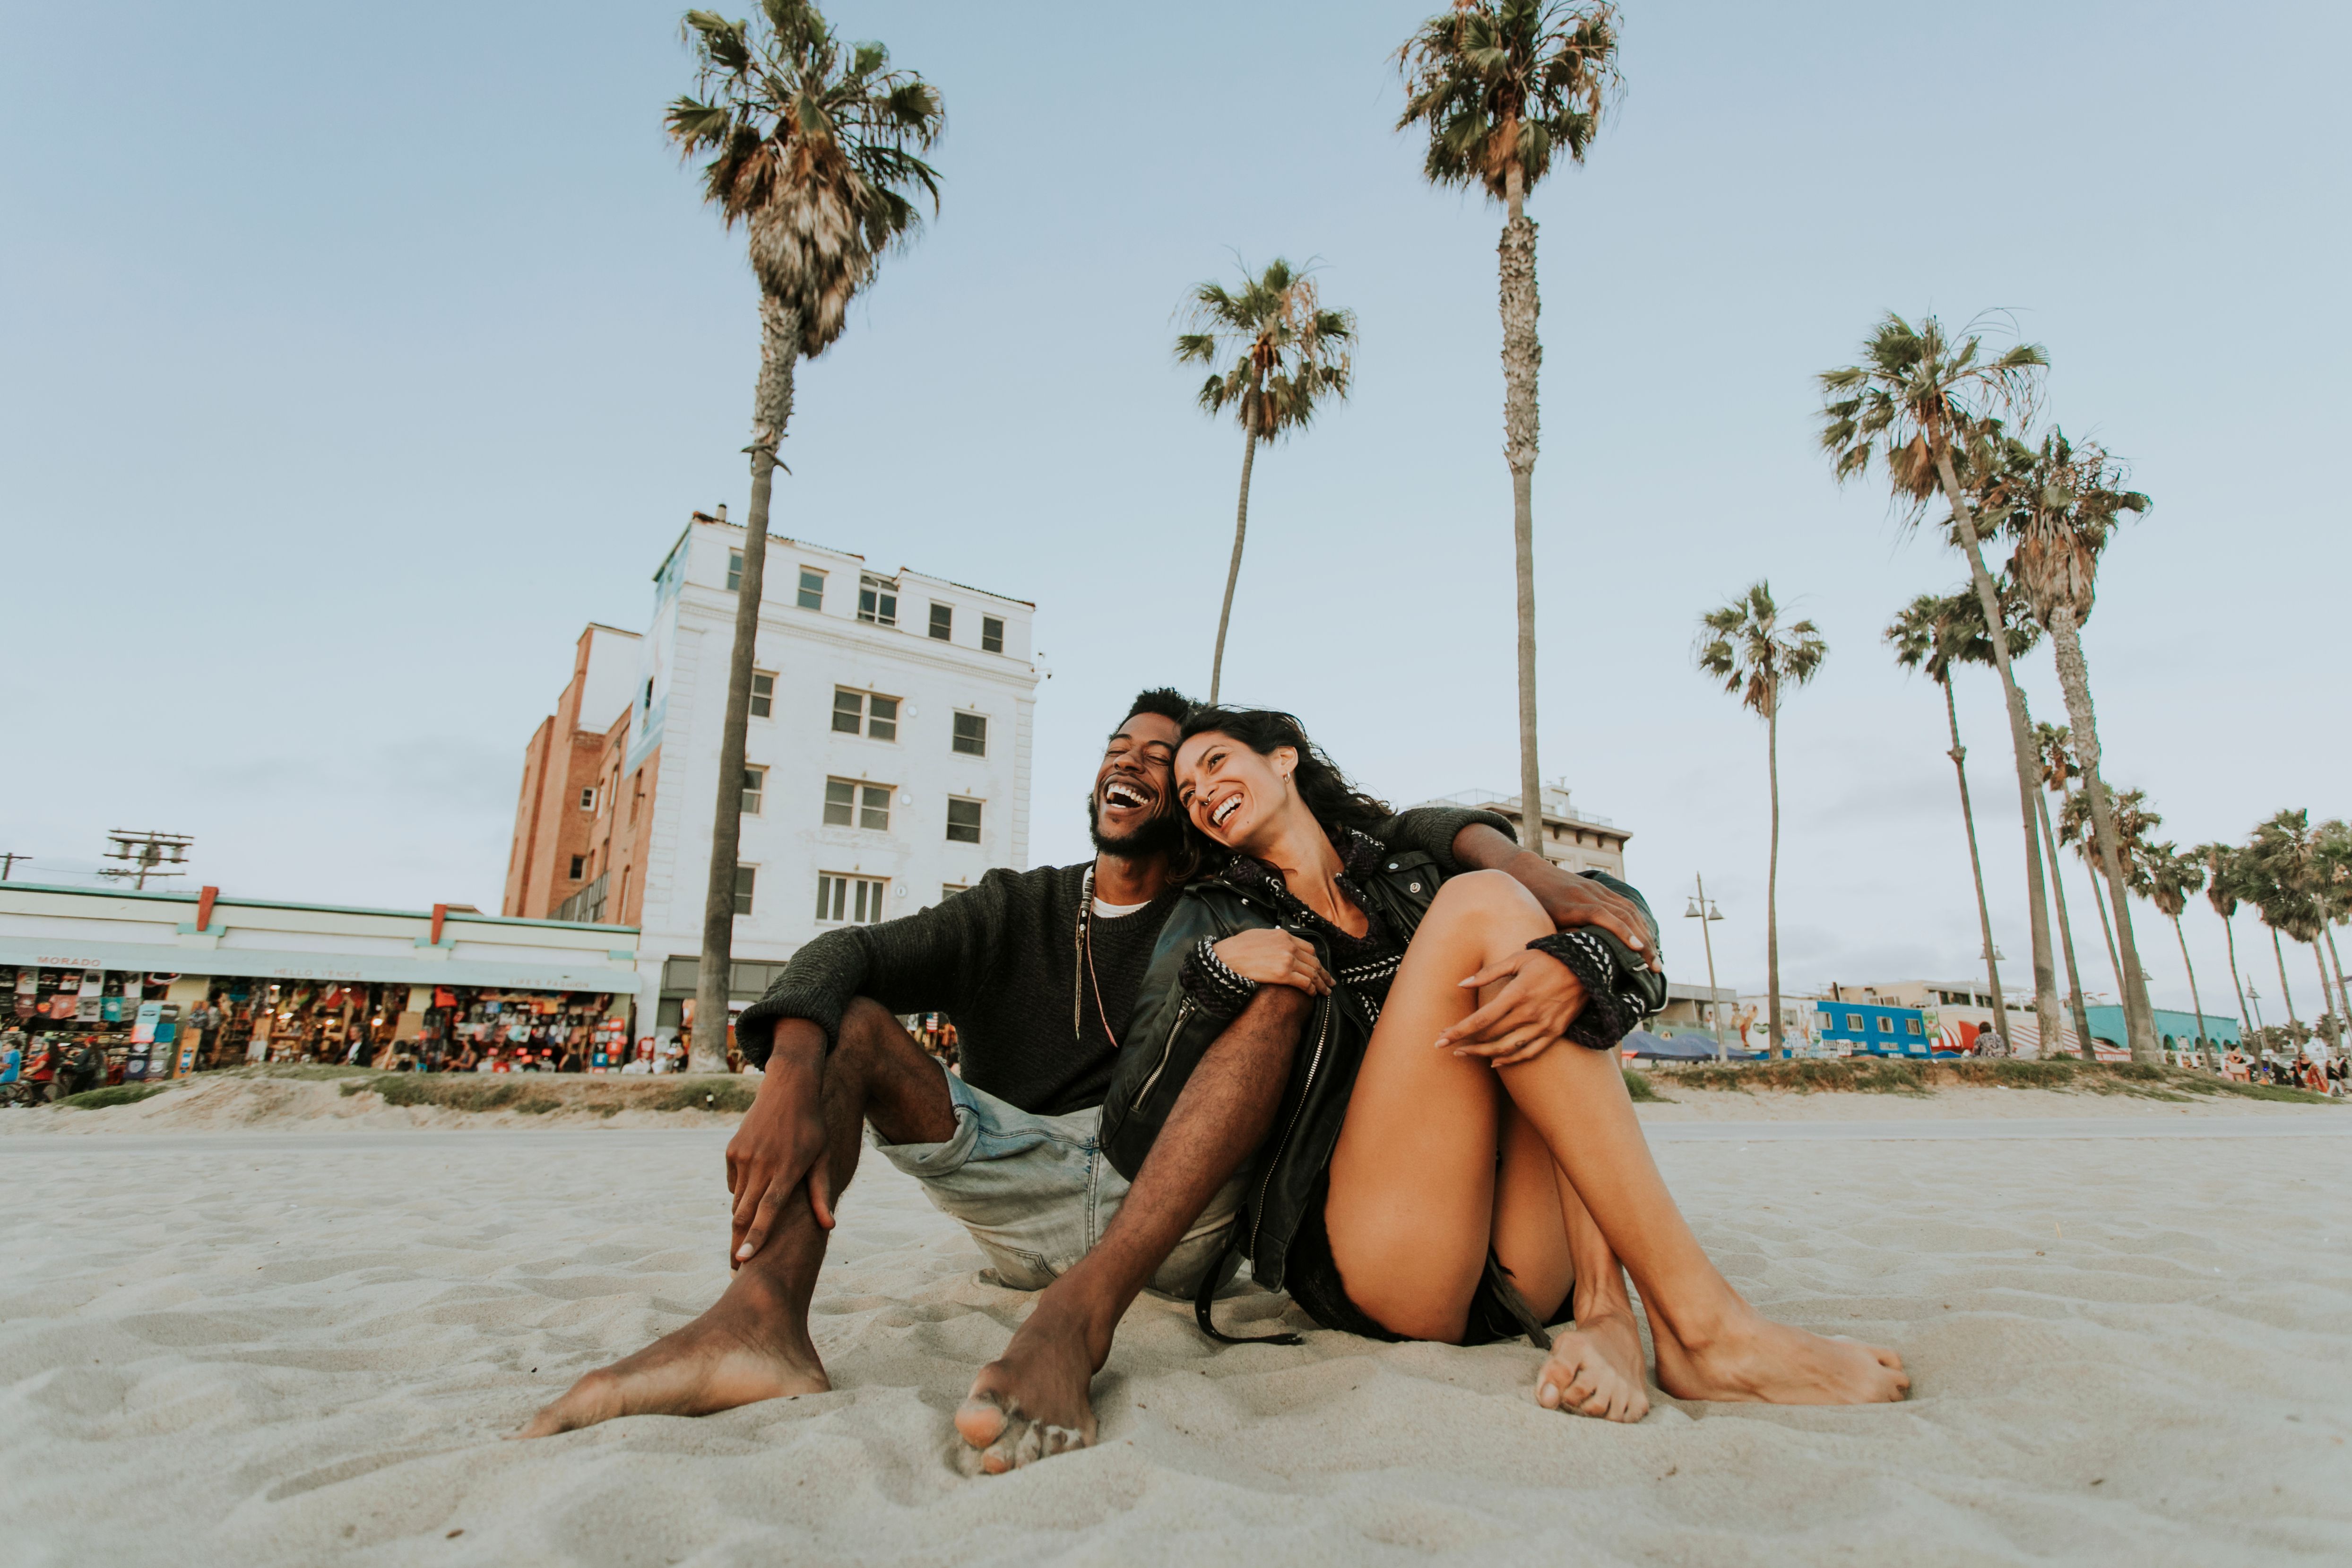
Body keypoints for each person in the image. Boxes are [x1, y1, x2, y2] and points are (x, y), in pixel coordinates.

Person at [518, 688, 1658, 1467]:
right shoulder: (1017, 906)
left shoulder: (1236, 900)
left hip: (1181, 1202)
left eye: (1172, 756)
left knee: (1279, 988)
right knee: (851, 1024)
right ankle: (758, 1322)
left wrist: (1510, 867)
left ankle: (1083, 1320)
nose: (1135, 761)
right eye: (1121, 745)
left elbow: (1396, 860)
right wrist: (790, 1061)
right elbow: (848, 957)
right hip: (1018, 1179)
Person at [1123, 707, 1908, 1420]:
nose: (1202, 792)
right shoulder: (1217, 912)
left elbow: (1612, 909)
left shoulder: (1410, 865)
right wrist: (1216, 975)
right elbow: (1134, 1125)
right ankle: (1704, 1326)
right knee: (1489, 906)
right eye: (1187, 790)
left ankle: (1606, 1314)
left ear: (1284, 759)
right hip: (1385, 1259)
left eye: (1218, 762)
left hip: (1530, 1266)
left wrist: (1583, 956)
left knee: (1540, 961)